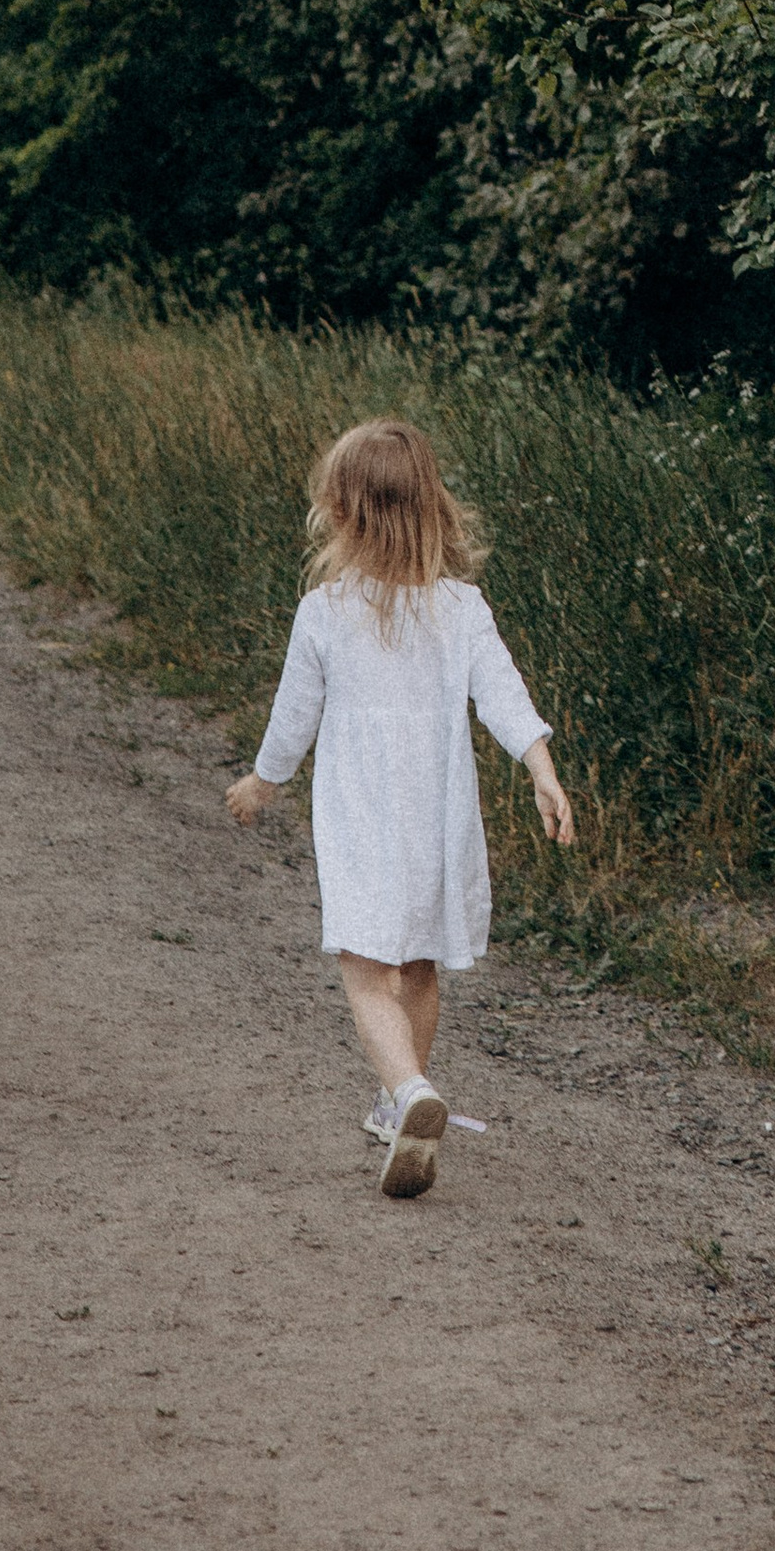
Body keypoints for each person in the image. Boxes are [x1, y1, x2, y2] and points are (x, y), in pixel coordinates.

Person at [227, 416, 575, 1198]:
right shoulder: (462, 610)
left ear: (341, 512)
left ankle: (410, 1094)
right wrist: (542, 770)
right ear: (431, 507)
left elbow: (294, 717)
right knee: (418, 966)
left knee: (364, 973)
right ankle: (398, 1101)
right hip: (439, 822)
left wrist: (262, 781)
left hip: (363, 821)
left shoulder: (324, 611)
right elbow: (506, 699)